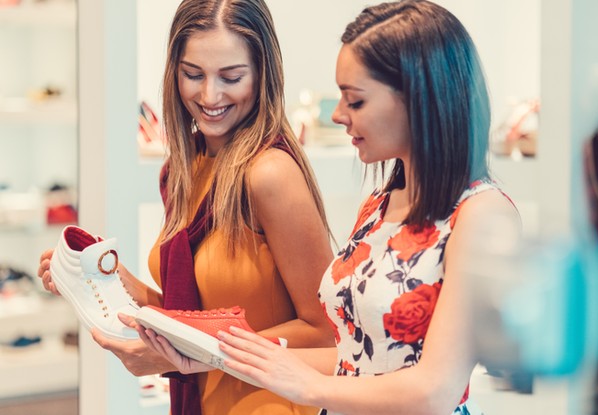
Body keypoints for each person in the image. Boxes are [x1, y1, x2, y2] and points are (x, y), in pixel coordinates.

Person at [141, 1, 522, 414]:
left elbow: (436, 389)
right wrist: (211, 357)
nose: (338, 115)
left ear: (419, 100)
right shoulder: (379, 206)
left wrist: (309, 388)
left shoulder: (482, 215)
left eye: (355, 101)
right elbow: (350, 356)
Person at [37, 0, 335, 414]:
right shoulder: (185, 169)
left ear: (263, 75)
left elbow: (327, 331)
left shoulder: (269, 174)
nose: (209, 95)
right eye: (193, 74)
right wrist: (113, 280)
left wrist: (192, 353)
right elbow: (195, 314)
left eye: (231, 77)